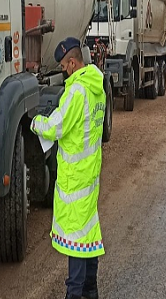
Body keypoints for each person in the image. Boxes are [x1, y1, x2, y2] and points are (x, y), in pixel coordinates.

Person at [30, 37, 106, 299]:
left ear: (72, 63)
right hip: (90, 173)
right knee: (88, 235)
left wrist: (36, 122)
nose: (63, 71)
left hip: (75, 178)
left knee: (75, 240)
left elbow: (56, 127)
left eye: (63, 66)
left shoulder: (77, 92)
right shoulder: (97, 86)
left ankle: (74, 294)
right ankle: (90, 292)